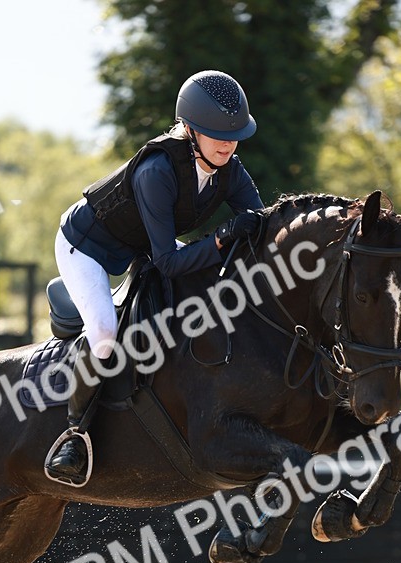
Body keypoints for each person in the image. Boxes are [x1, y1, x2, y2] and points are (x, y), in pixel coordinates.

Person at [44, 69, 264, 487]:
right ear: (190, 129)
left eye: (234, 134)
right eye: (216, 133)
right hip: (86, 245)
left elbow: (260, 221)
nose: (228, 143)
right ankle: (74, 436)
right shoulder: (158, 170)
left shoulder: (229, 169)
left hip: (139, 245)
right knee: (106, 332)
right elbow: (166, 262)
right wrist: (220, 239)